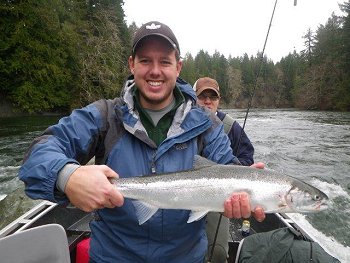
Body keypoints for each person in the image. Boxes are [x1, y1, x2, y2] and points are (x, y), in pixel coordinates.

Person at [18, 21, 265, 263]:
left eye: (165, 61)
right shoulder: (104, 116)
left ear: (178, 67)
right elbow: (38, 153)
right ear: (132, 64)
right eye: (145, 60)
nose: (155, 71)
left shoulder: (207, 125)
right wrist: (67, 176)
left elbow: (227, 170)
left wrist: (246, 185)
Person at [193, 77, 257, 263]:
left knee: (218, 253)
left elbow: (247, 157)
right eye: (202, 96)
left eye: (213, 97)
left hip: (220, 196)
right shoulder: (181, 124)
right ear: (193, 98)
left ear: (219, 100)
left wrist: (241, 173)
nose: (208, 101)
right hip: (186, 192)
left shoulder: (231, 127)